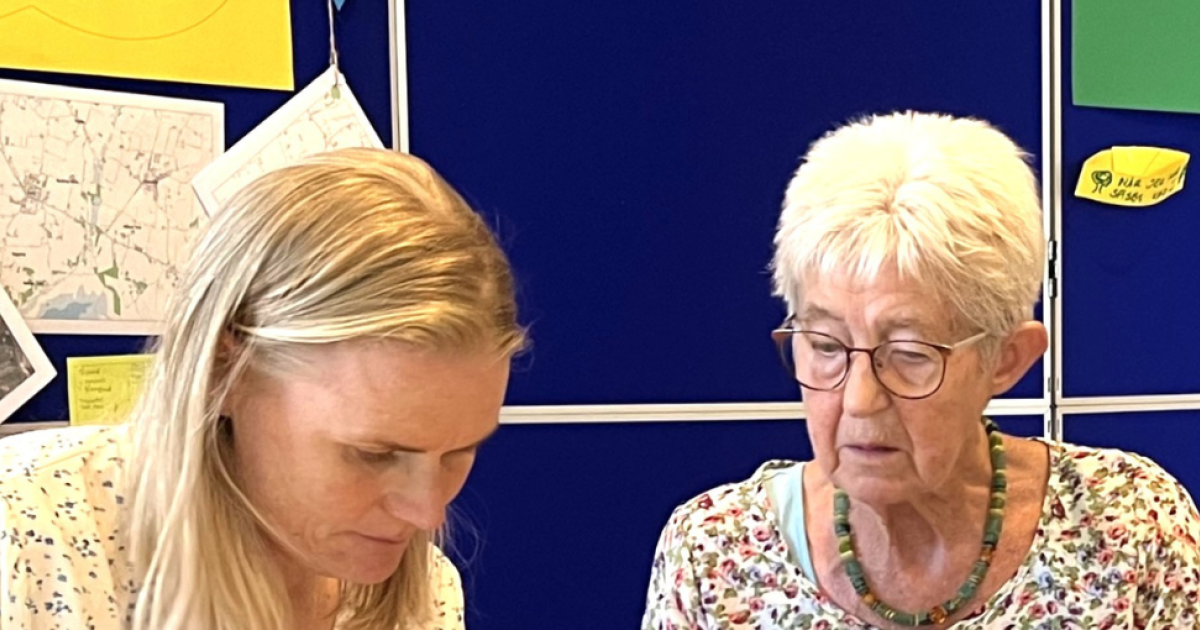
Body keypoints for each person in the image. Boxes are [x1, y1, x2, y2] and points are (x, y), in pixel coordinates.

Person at [641, 112, 1200, 629]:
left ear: (1007, 359)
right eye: (826, 346)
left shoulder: (1128, 527)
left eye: (910, 354)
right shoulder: (714, 554)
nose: (859, 400)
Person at [0, 148, 525, 630]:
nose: (427, 513)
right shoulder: (23, 535)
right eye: (374, 454)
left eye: (459, 453)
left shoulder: (429, 591)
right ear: (223, 370)